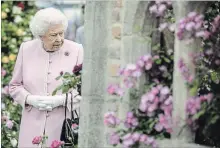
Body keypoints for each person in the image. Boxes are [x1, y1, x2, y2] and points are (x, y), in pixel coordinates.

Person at [9, 7, 83, 147]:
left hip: (62, 126)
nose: (59, 39)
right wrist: (30, 99)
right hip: (31, 126)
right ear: (40, 35)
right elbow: (15, 86)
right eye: (53, 35)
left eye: (62, 33)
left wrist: (60, 100)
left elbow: (82, 89)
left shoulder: (77, 50)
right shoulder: (26, 49)